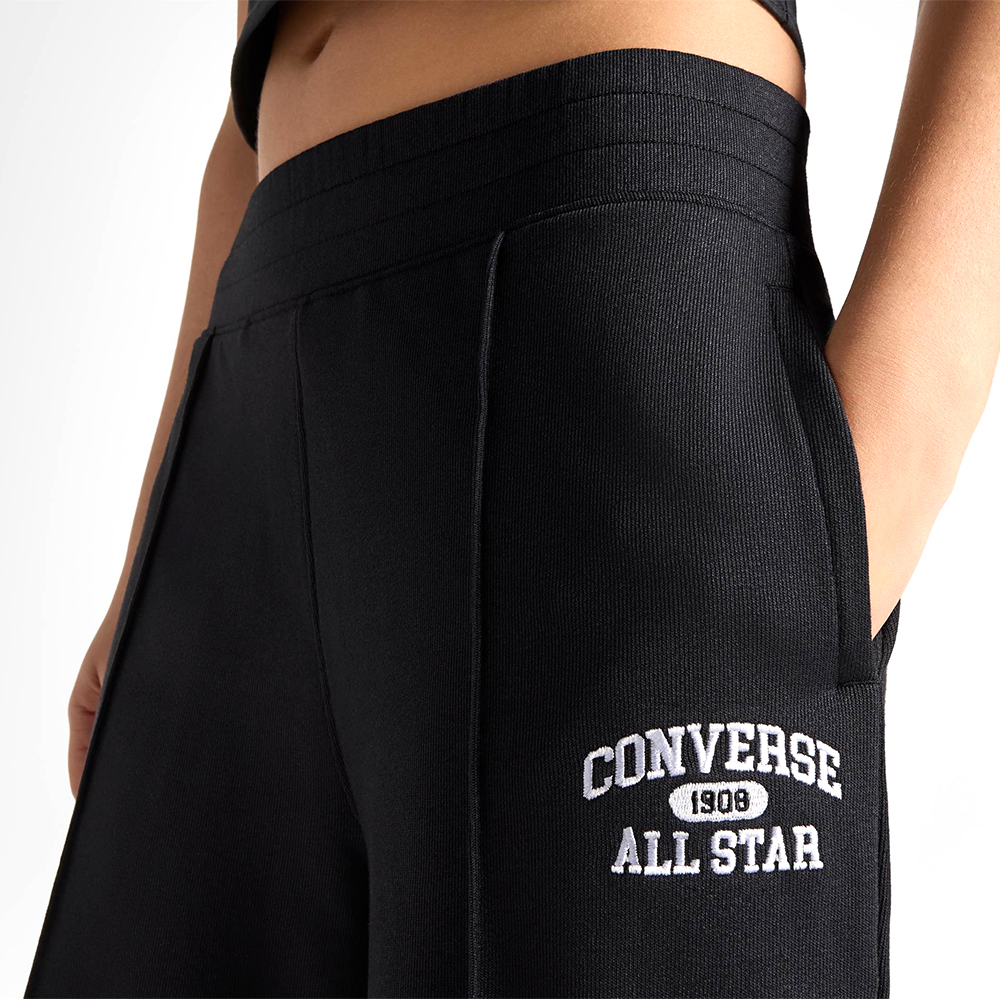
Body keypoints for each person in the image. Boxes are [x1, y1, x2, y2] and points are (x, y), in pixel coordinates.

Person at [24, 1, 999, 997]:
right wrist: (156, 531)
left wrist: (883, 458)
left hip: (604, 296)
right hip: (261, 350)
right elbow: (246, 114)